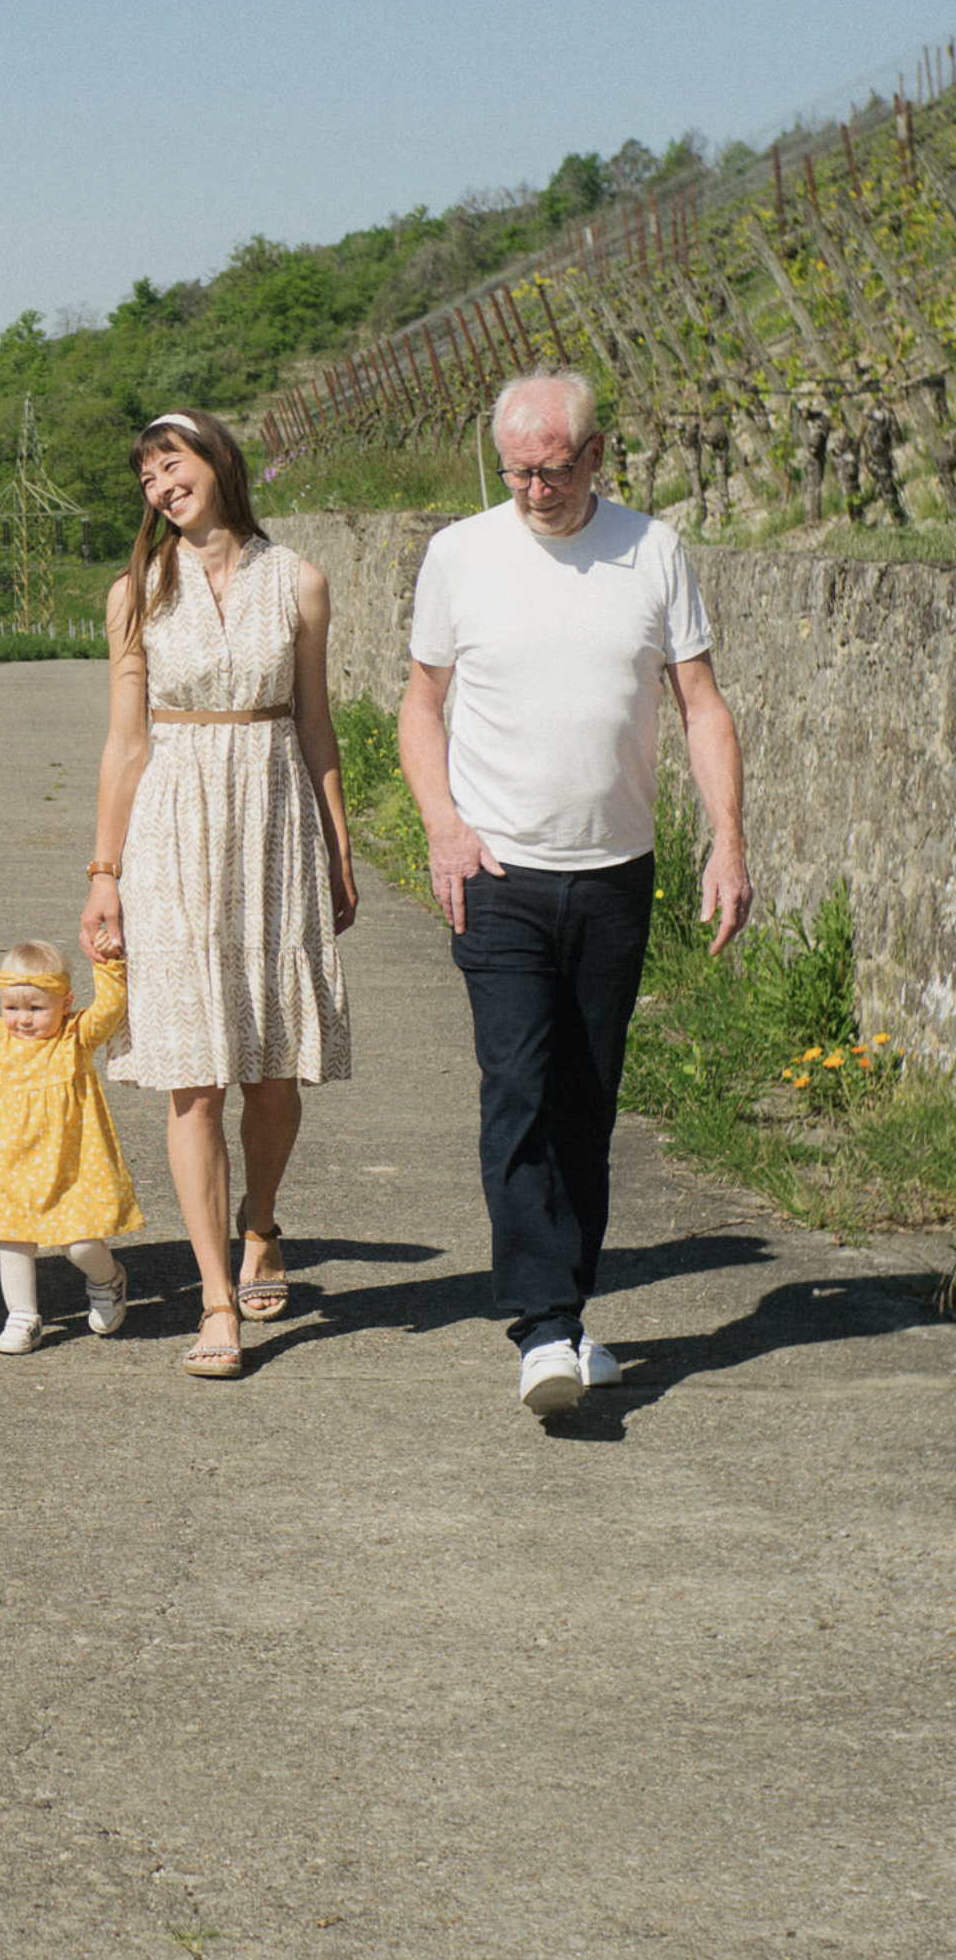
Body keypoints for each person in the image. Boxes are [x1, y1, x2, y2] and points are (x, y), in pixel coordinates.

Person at [398, 371, 752, 1417]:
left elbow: (701, 704)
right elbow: (422, 703)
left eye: (553, 467)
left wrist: (728, 842)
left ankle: (573, 1307)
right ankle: (543, 1327)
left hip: (614, 872)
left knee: (586, 1103)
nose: (535, 488)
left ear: (598, 454)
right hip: (496, 870)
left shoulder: (653, 550)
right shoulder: (460, 552)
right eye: (516, 469)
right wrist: (443, 827)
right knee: (516, 1085)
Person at [80, 407, 354, 1381]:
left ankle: (262, 1222)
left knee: (274, 1066)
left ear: (218, 461)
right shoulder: (135, 594)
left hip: (276, 819)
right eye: (147, 475)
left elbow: (316, 725)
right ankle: (215, 1296)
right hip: (173, 829)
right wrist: (103, 873)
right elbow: (125, 741)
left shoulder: (300, 582)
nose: (160, 484)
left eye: (172, 462)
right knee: (191, 1072)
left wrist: (338, 843)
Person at [0, 936, 143, 1354]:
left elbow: (110, 1009)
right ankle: (23, 1315)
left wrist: (109, 965)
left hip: (70, 1167)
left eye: (36, 1008)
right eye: (11, 1007)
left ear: (65, 1002)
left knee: (80, 1244)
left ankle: (106, 1278)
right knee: (14, 1241)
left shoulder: (74, 1038)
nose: (23, 1019)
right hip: (10, 1168)